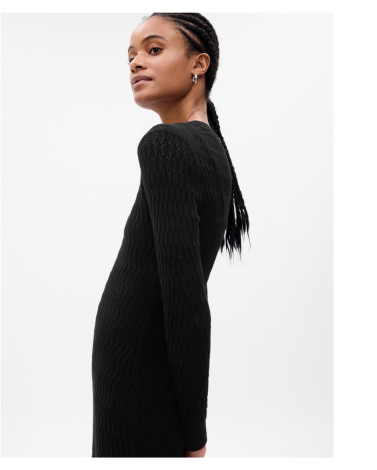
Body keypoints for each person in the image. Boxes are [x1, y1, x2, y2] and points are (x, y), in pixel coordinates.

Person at [91, 12, 250, 458]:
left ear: (199, 63)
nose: (136, 63)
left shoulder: (166, 144)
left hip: (138, 374)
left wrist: (195, 434)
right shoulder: (208, 146)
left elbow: (187, 301)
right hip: (144, 371)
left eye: (154, 49)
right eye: (130, 55)